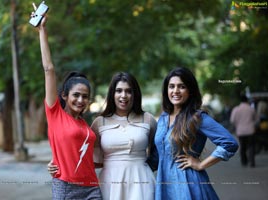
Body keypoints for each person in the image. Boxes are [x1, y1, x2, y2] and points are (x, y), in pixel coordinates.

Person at [49, 72, 158, 200]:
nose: (124, 95)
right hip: (110, 181)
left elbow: (159, 150)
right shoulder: (99, 122)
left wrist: (145, 167)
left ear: (135, 94)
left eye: (129, 91)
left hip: (142, 180)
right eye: (119, 91)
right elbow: (84, 156)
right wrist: (58, 162)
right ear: (112, 94)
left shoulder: (148, 119)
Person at [31, 5, 102, 200]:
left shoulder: (84, 123)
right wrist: (42, 30)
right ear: (64, 95)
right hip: (66, 187)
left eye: (85, 96)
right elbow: (49, 69)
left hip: (92, 186)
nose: (81, 100)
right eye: (76, 95)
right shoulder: (55, 114)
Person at [152, 67, 238, 200]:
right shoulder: (163, 118)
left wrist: (201, 164)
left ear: (190, 91)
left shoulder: (198, 118)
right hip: (164, 185)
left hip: (188, 185)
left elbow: (230, 143)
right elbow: (159, 155)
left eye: (181, 87)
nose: (175, 91)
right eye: (171, 86)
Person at [230, 94, 257, 167]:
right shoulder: (251, 109)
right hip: (251, 131)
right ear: (247, 100)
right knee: (251, 146)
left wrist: (237, 124)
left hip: (240, 131)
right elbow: (256, 119)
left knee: (243, 146)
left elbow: (232, 120)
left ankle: (244, 161)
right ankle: (252, 162)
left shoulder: (236, 109)